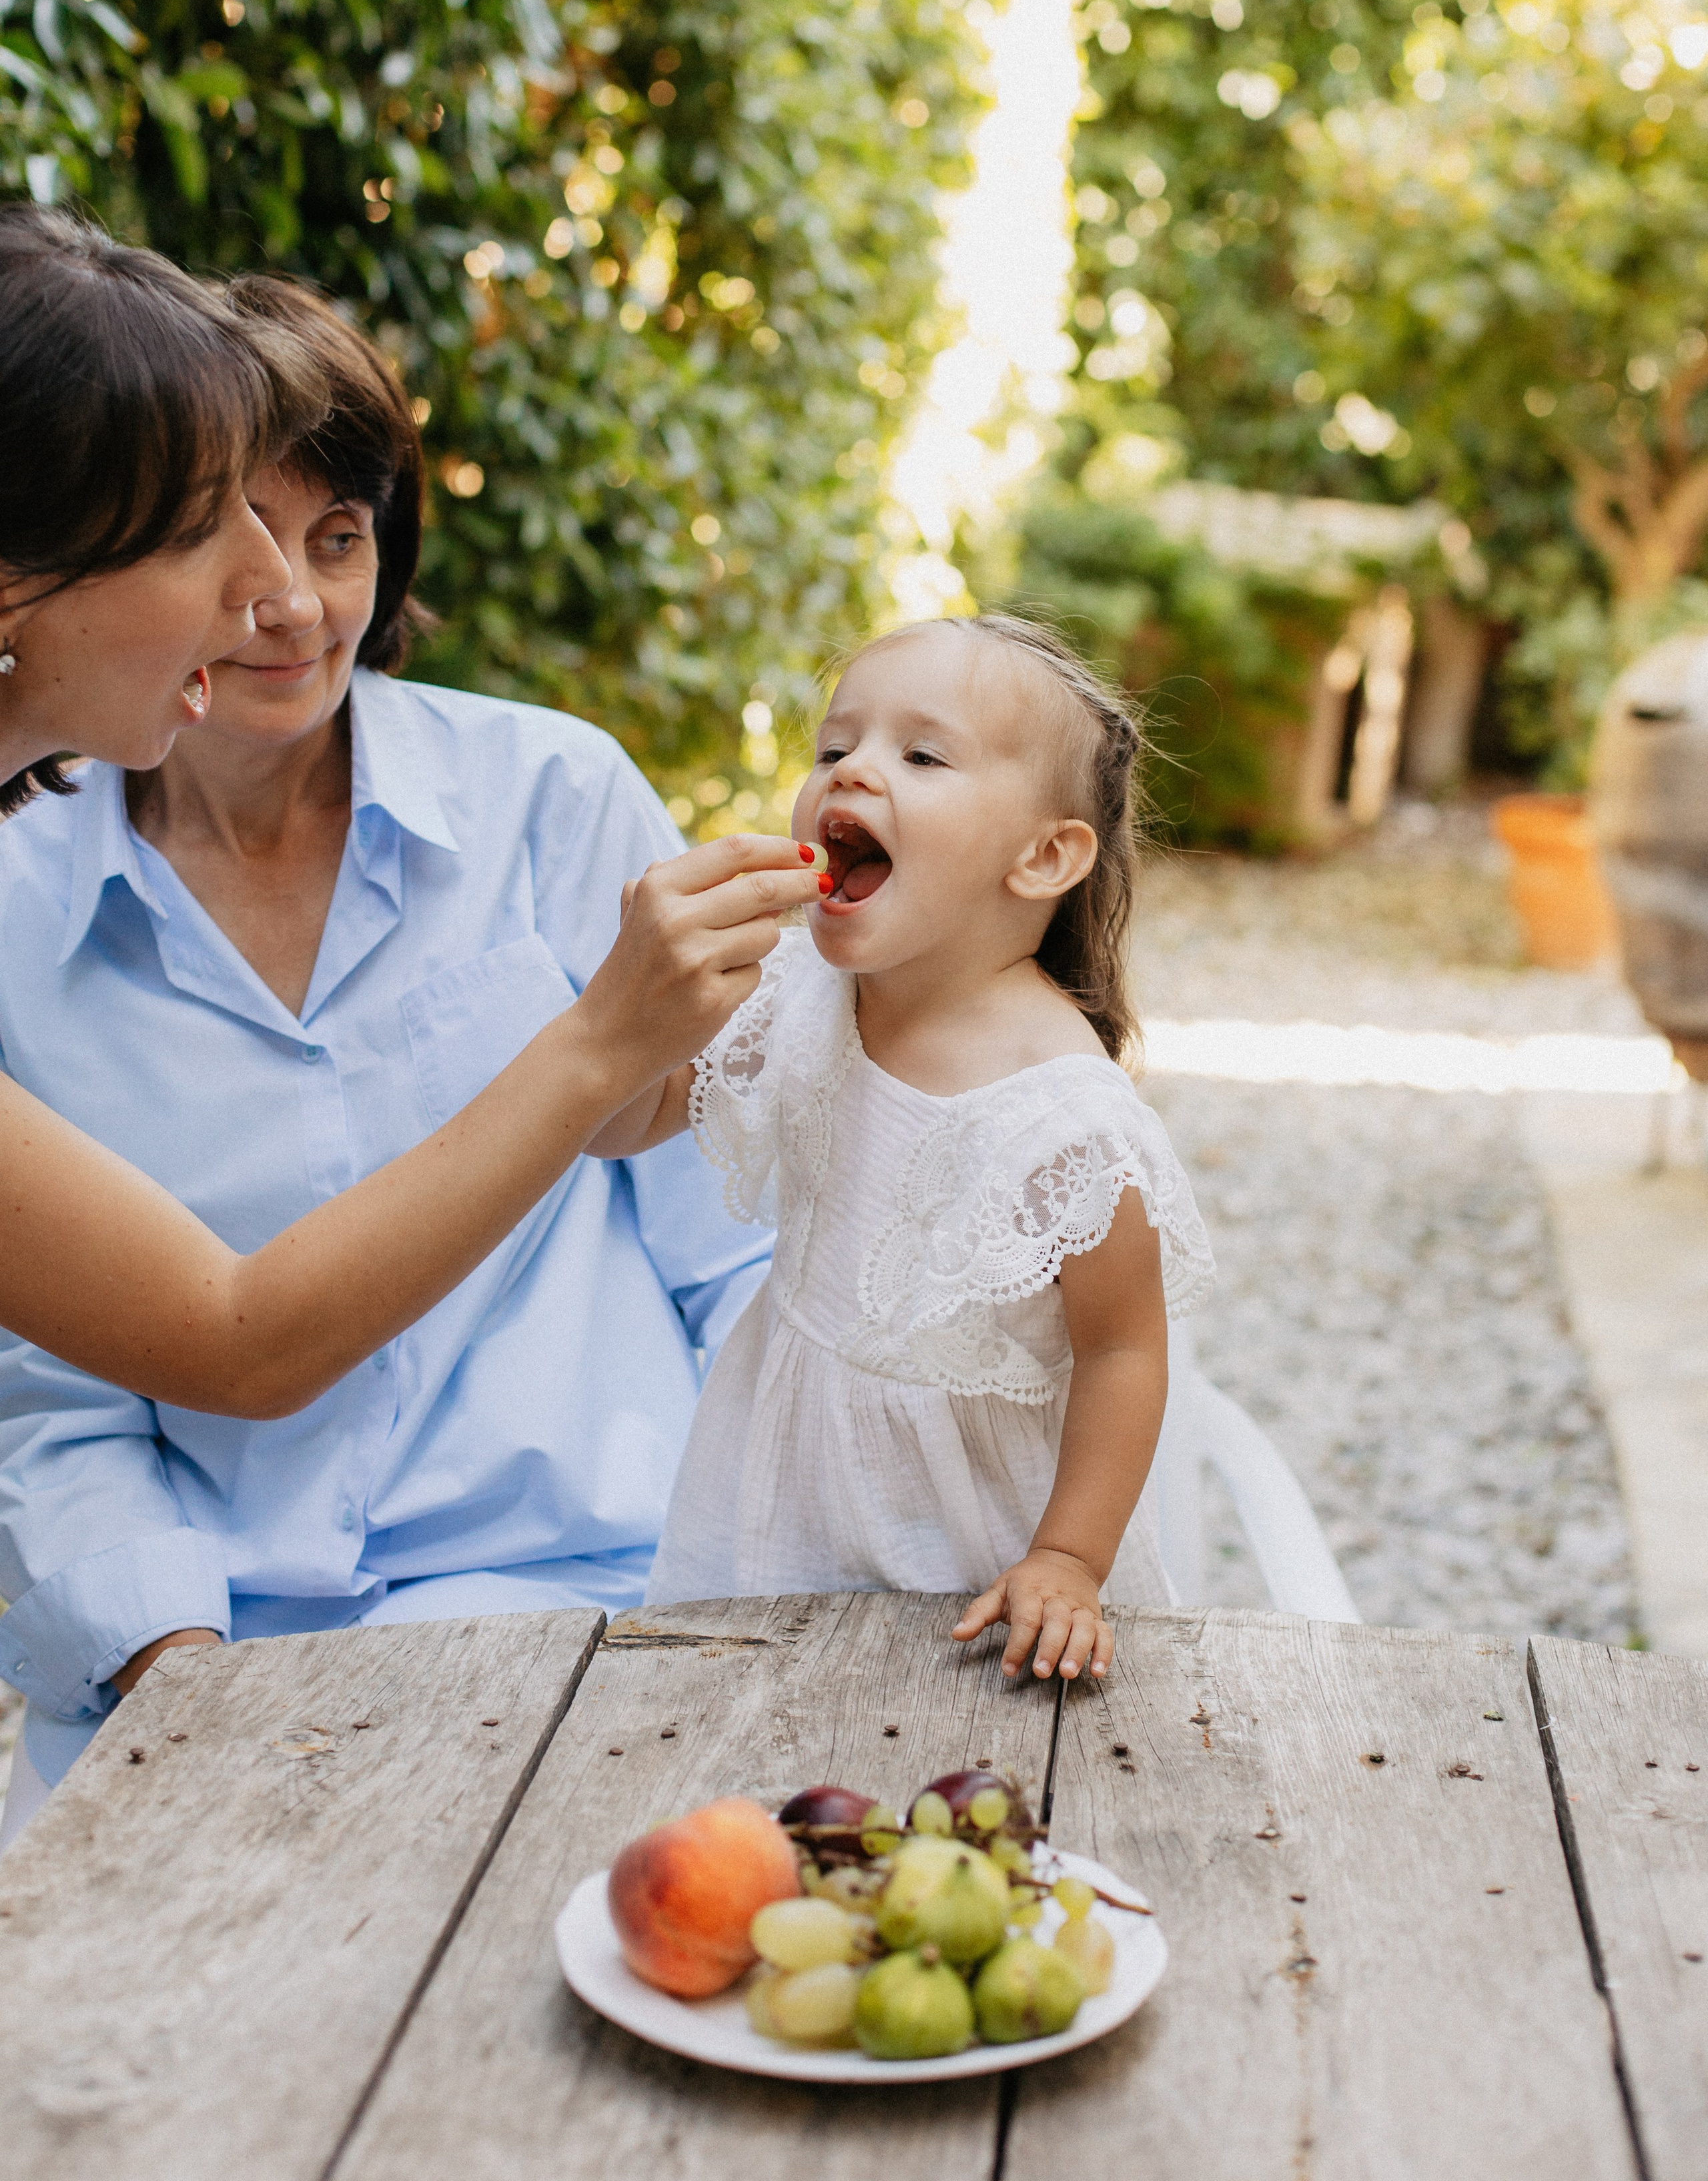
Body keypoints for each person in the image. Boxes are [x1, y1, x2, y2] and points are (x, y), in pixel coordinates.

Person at [0, 206, 819, 1836]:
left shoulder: (550, 793)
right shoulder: (25, 890)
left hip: (588, 1605)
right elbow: (208, 1345)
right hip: (194, 1657)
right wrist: (182, 1669)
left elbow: (744, 1249)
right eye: (205, 528)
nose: (273, 600)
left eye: (334, 534)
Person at [592, 614, 1215, 1685]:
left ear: (1046, 855)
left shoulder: (1064, 1116)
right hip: (781, 1479)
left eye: (920, 757)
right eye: (836, 750)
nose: (853, 776)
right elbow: (615, 1125)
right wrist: (633, 1012)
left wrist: (1068, 1557)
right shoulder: (793, 993)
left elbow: (1124, 1352)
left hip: (975, 1533)